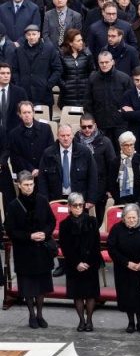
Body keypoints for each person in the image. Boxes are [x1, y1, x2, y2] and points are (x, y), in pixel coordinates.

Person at [4, 171, 55, 329]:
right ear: (19, 185)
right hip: (25, 252)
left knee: (41, 286)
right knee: (28, 287)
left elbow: (51, 221)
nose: (29, 187)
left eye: (31, 184)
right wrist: (30, 236)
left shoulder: (42, 200)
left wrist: (44, 234)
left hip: (41, 250)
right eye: (25, 185)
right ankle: (32, 315)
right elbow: (11, 230)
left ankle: (40, 315)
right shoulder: (13, 206)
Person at [106, 204, 140, 333]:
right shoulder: (117, 229)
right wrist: (126, 263)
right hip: (124, 269)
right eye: (129, 218)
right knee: (127, 295)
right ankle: (130, 322)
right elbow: (112, 248)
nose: (132, 220)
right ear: (123, 218)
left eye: (134, 217)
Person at [59, 193, 102, 332]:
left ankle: (89, 320)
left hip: (90, 262)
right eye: (75, 205)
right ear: (70, 207)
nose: (78, 208)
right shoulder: (64, 225)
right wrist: (77, 263)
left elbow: (96, 244)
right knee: (77, 294)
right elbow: (66, 247)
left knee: (90, 294)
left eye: (80, 205)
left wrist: (87, 262)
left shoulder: (92, 221)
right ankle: (81, 321)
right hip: (74, 265)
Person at [37, 125, 99, 214]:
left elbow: (92, 176)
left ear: (73, 135)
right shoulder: (48, 153)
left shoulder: (84, 152)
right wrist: (44, 200)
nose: (66, 138)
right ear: (57, 136)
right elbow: (42, 179)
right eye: (62, 136)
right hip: (55, 198)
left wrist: (91, 199)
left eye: (68, 135)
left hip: (79, 200)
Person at [76, 114, 118, 228]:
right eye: (84, 127)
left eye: (89, 126)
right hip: (80, 184)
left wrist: (110, 188)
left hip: (100, 184)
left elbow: (112, 167)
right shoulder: (75, 141)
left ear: (95, 126)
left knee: (98, 219)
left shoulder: (105, 142)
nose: (87, 130)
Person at [84, 52, 133, 148]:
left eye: (107, 62)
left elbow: (131, 102)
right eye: (101, 62)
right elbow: (88, 103)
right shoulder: (93, 79)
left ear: (112, 62)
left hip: (120, 125)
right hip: (100, 125)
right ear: (98, 63)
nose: (104, 65)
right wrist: (91, 122)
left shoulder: (124, 79)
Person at [11, 24, 62, 108]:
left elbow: (58, 69)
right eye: (29, 34)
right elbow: (14, 70)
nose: (31, 37)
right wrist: (18, 83)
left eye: (34, 34)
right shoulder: (19, 51)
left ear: (39, 34)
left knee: (44, 120)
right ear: (25, 36)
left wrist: (48, 84)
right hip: (25, 92)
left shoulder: (49, 49)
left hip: (44, 93)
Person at [58, 29, 92, 108]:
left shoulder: (87, 54)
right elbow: (58, 74)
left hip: (84, 94)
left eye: (81, 40)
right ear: (70, 43)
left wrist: (87, 85)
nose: (81, 42)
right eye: (78, 41)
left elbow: (92, 72)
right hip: (67, 95)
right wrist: (65, 86)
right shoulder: (62, 55)